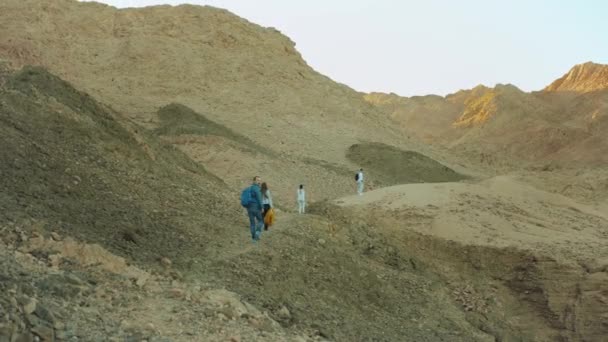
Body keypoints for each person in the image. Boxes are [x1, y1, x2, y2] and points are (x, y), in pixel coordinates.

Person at [245, 176, 264, 242]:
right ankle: (256, 234)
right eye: (258, 180)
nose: (259, 181)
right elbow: (259, 199)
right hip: (256, 208)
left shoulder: (249, 188)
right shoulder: (257, 189)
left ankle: (253, 238)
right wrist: (262, 207)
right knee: (261, 221)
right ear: (254, 181)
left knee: (252, 223)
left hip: (249, 208)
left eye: (260, 180)